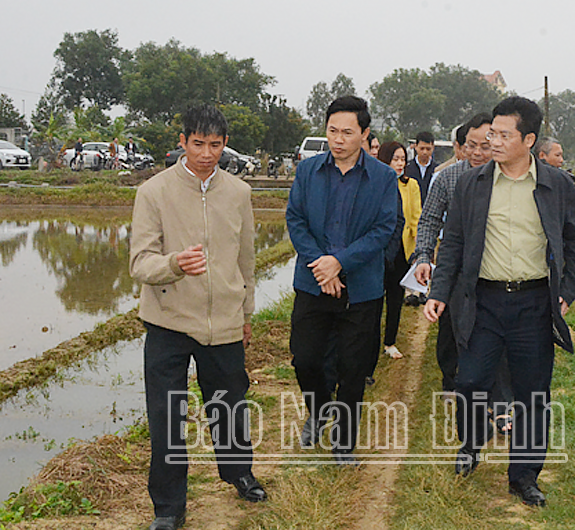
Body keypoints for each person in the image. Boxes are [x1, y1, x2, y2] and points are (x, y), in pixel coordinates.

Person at [424, 96, 575, 508]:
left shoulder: (556, 185)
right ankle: (471, 443)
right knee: (470, 381)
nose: (492, 142)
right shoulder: (472, 184)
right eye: (491, 133)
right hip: (483, 301)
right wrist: (439, 293)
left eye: (502, 135)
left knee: (533, 392)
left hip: (534, 302)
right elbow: (455, 245)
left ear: (528, 140)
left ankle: (524, 476)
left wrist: (567, 291)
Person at [130, 104, 264, 530]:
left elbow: (247, 260)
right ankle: (168, 507)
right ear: (183, 142)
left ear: (225, 145)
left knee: (229, 405)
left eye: (216, 145)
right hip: (169, 321)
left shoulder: (238, 193)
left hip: (223, 319)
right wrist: (174, 264)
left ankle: (239, 473)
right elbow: (140, 262)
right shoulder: (153, 192)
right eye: (199, 144)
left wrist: (245, 313)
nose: (207, 154)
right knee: (167, 416)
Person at [285, 95, 398, 466]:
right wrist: (321, 264)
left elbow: (384, 229)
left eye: (347, 132)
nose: (338, 139)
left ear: (364, 134)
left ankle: (343, 442)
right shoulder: (308, 171)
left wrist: (341, 263)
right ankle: (317, 411)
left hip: (361, 289)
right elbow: (296, 221)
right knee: (305, 359)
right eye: (332, 131)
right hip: (313, 283)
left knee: (353, 368)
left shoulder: (382, 178)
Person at [413, 113, 493, 397]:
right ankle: (451, 378)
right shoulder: (449, 178)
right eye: (471, 146)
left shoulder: (507, 179)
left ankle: (487, 387)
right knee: (451, 324)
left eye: (485, 146)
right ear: (462, 145)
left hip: (492, 268)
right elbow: (429, 220)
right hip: (456, 264)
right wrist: (423, 256)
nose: (477, 153)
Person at [378, 141, 421, 360]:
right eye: (395, 158)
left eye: (403, 159)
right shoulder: (375, 183)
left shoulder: (410, 185)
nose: (400, 163)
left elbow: (415, 218)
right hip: (378, 252)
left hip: (401, 251)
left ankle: (390, 342)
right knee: (375, 300)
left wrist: (416, 252)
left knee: (395, 299)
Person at [404, 131, 437, 204]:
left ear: (433, 148)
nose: (425, 152)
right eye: (422, 148)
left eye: (428, 149)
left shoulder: (437, 169)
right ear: (416, 147)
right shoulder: (406, 168)